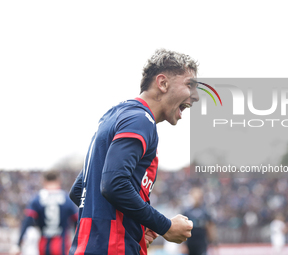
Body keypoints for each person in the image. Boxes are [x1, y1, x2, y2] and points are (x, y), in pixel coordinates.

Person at [68, 49, 199, 255]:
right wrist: (165, 226)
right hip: (115, 249)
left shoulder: (114, 116)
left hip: (89, 247)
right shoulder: (140, 120)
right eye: (189, 85)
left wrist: (138, 223)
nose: (196, 96)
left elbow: (79, 190)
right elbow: (114, 184)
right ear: (163, 83)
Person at [11, 171, 78, 255]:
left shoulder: (37, 199)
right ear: (59, 181)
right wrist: (78, 243)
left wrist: (18, 244)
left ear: (44, 181)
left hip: (44, 243)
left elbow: (27, 221)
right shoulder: (67, 198)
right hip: (62, 243)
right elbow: (77, 221)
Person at [182, 187, 216, 255]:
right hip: (190, 242)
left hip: (202, 242)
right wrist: (183, 244)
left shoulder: (205, 211)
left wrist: (212, 240)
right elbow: (182, 228)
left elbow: (210, 227)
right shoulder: (186, 212)